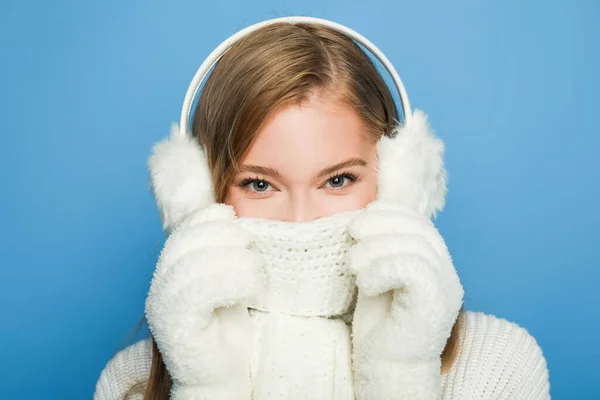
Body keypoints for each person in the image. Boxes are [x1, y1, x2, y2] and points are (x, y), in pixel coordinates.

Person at [94, 19, 550, 400]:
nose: (300, 222)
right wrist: (206, 386)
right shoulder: (129, 383)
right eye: (258, 184)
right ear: (200, 199)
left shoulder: (498, 364)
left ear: (400, 187)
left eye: (337, 181)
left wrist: (401, 372)